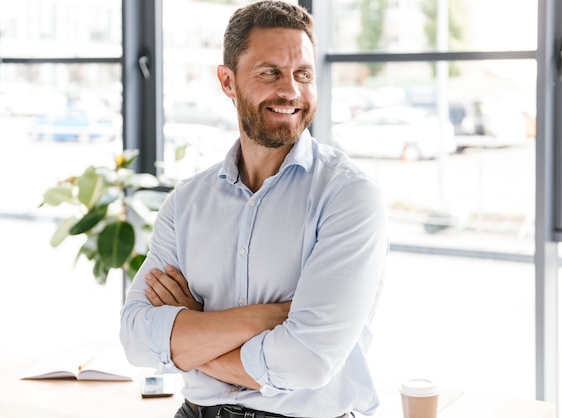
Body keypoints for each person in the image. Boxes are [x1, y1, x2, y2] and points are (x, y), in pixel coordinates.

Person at [120, 1, 388, 417]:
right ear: (227, 81)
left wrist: (195, 333)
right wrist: (266, 318)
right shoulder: (187, 202)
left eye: (303, 74)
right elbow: (135, 337)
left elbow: (308, 361)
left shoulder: (348, 197)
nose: (291, 91)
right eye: (270, 73)